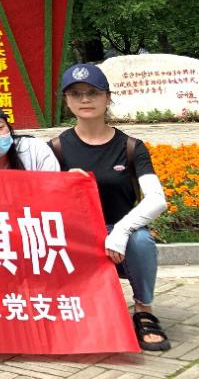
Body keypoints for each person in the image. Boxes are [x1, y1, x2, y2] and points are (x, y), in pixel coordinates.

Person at [50, 63, 170, 352]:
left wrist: (121, 231)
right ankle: (73, 307)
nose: (85, 99)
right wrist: (62, 184)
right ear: (66, 101)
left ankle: (143, 311)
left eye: (93, 92)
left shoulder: (130, 147)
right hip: (76, 237)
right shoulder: (55, 148)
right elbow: (40, 199)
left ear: (107, 97)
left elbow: (157, 199)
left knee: (141, 239)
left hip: (121, 236)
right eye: (75, 93)